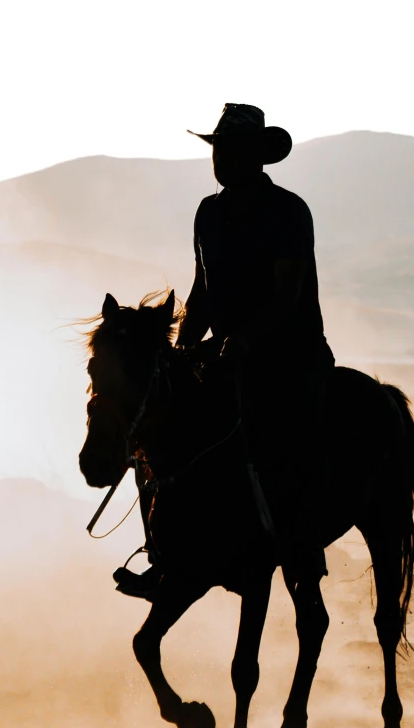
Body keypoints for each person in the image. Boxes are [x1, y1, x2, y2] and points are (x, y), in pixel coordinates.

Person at [114, 103, 333, 598]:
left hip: (292, 355)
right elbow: (202, 290)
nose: (220, 160)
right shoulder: (208, 213)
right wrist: (185, 345)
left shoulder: (289, 212)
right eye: (217, 151)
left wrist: (245, 340)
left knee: (289, 438)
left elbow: (287, 296)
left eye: (230, 151)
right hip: (226, 352)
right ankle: (167, 554)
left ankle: (302, 547)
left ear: (257, 156)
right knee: (166, 432)